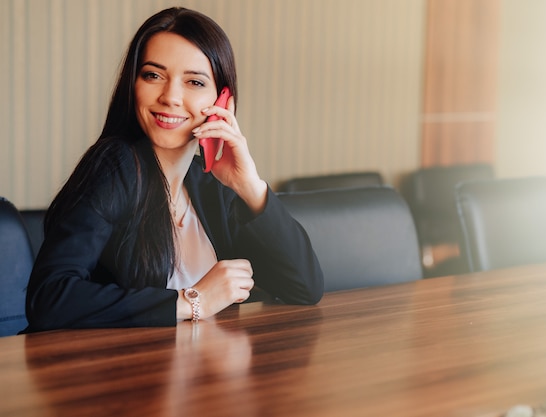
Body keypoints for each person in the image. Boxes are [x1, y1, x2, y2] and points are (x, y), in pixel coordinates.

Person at [24, 7, 323, 331]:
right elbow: (48, 298)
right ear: (133, 84)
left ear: (223, 102)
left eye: (194, 82)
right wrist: (193, 301)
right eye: (153, 75)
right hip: (118, 373)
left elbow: (304, 288)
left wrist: (250, 187)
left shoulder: (212, 186)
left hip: (196, 372)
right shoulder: (116, 166)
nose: (171, 97)